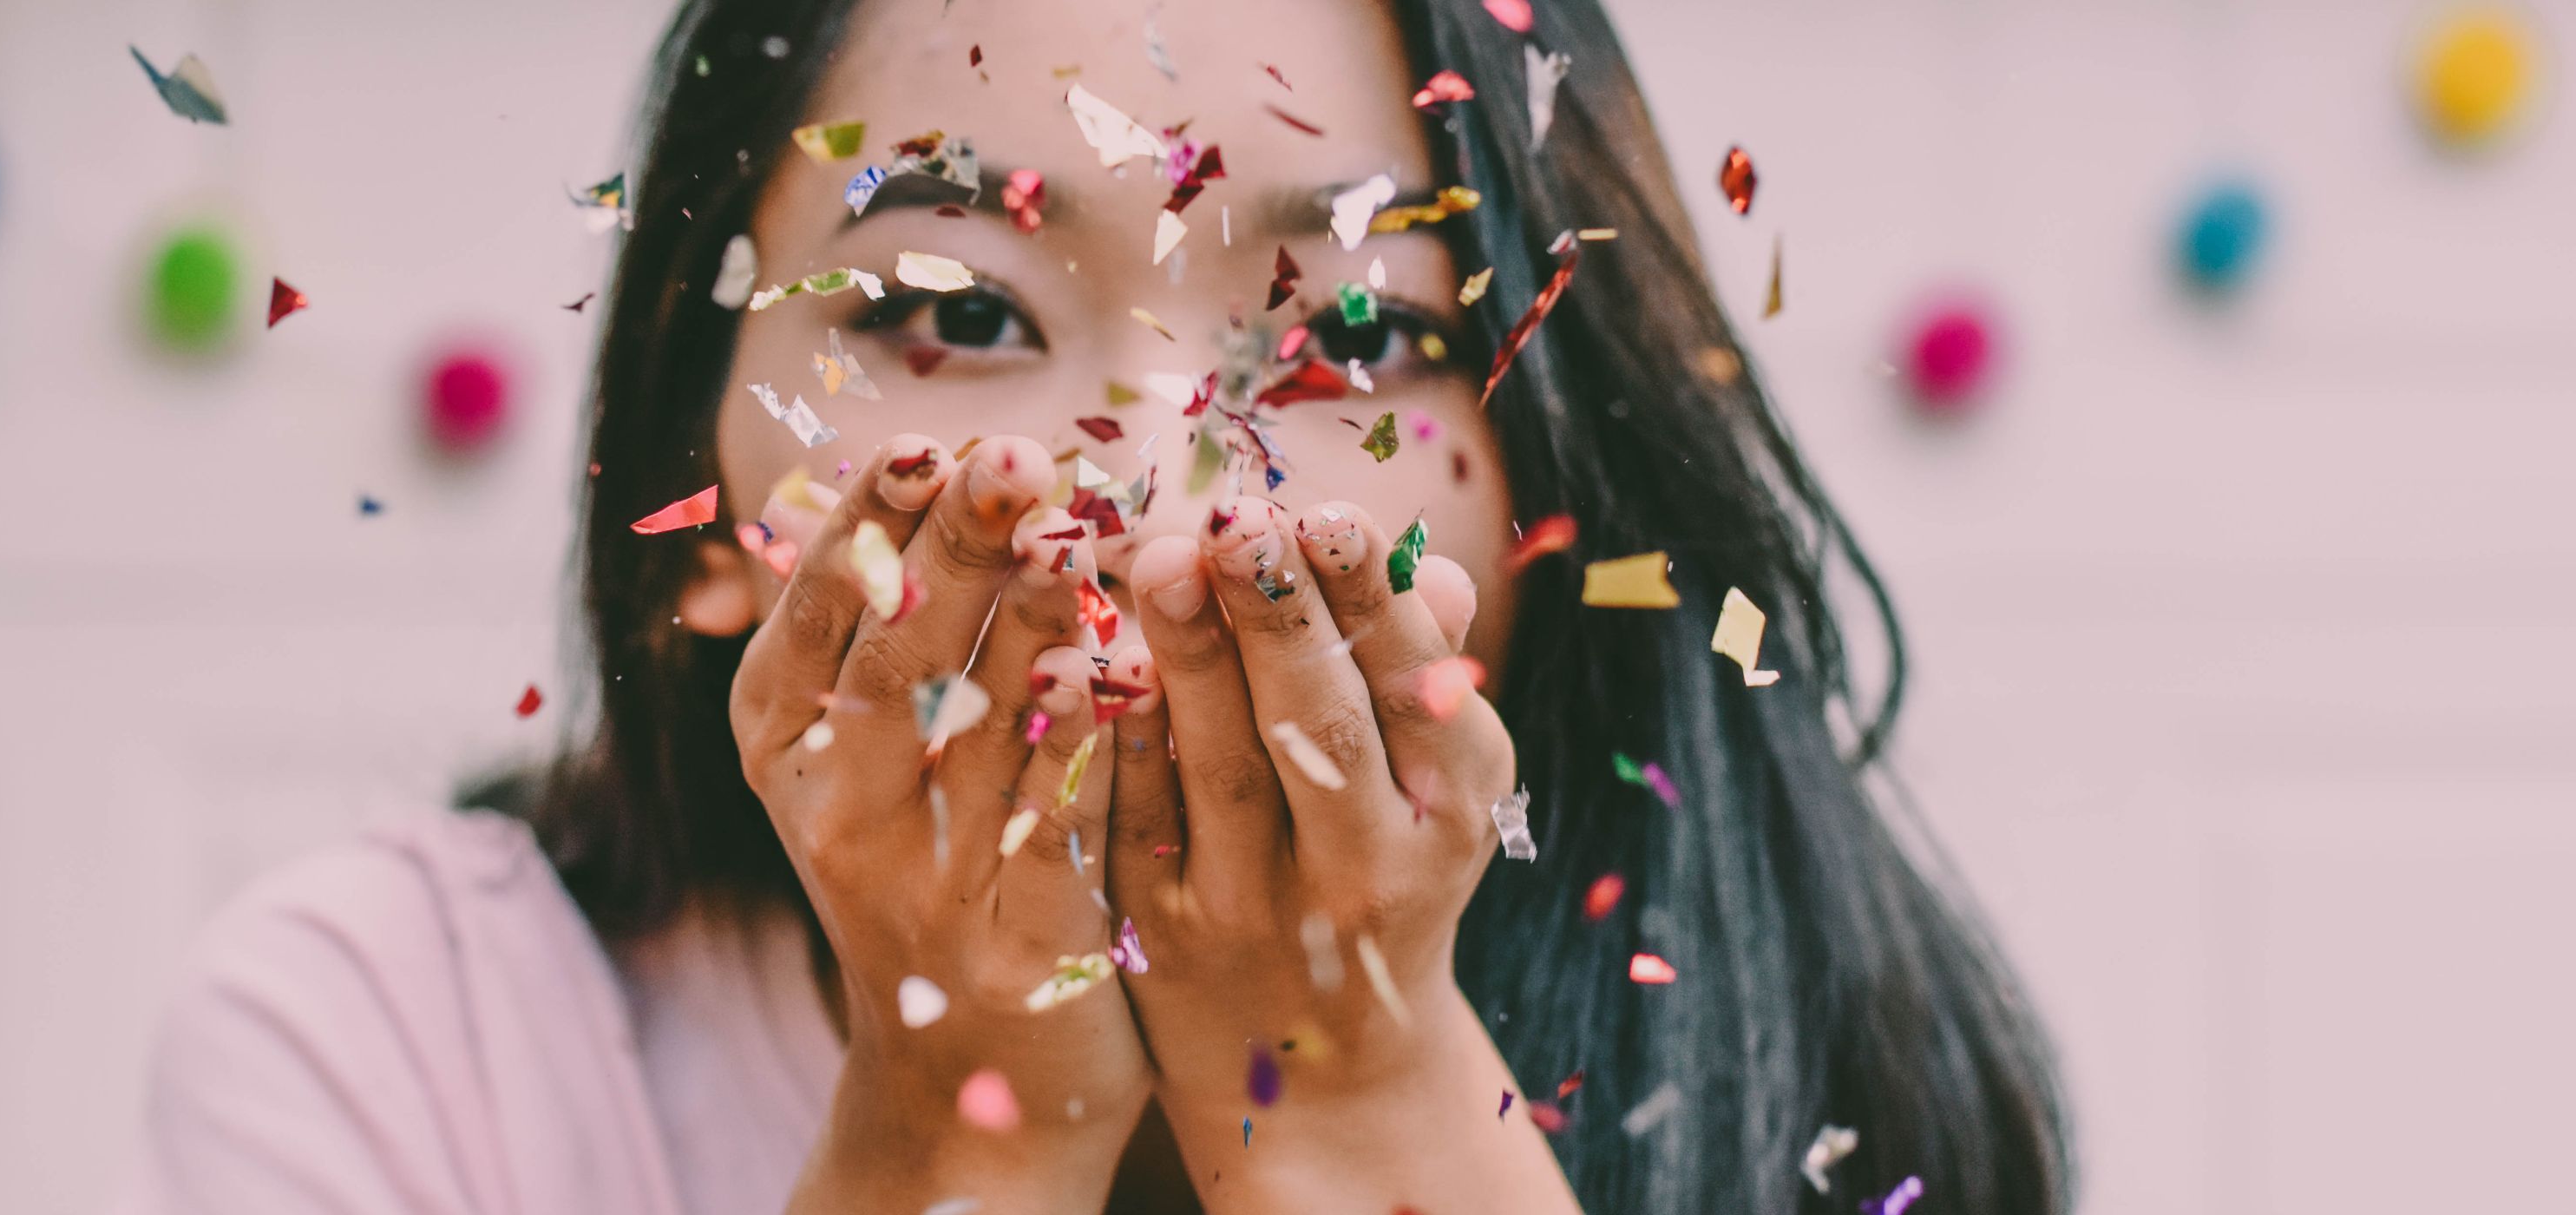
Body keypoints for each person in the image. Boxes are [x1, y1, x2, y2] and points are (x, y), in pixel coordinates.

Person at [128, 1, 2071, 1212]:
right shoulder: (397, 1040)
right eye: (955, 313)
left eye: (1355, 337)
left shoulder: (1818, 1039)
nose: (1156, 496)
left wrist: (1352, 1073)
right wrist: (963, 1103)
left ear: (1553, 495)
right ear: (689, 512)